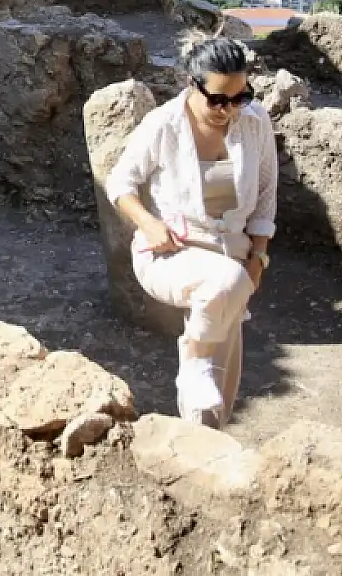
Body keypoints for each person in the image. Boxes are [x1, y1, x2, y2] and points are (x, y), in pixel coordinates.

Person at [104, 37, 276, 427]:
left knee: (223, 375)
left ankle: (205, 444)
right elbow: (120, 183)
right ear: (191, 84)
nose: (227, 109)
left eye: (238, 97)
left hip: (233, 254)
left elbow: (266, 195)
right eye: (217, 99)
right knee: (211, 332)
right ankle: (193, 365)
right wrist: (148, 223)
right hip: (171, 251)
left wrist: (259, 258)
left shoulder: (255, 121)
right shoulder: (164, 125)